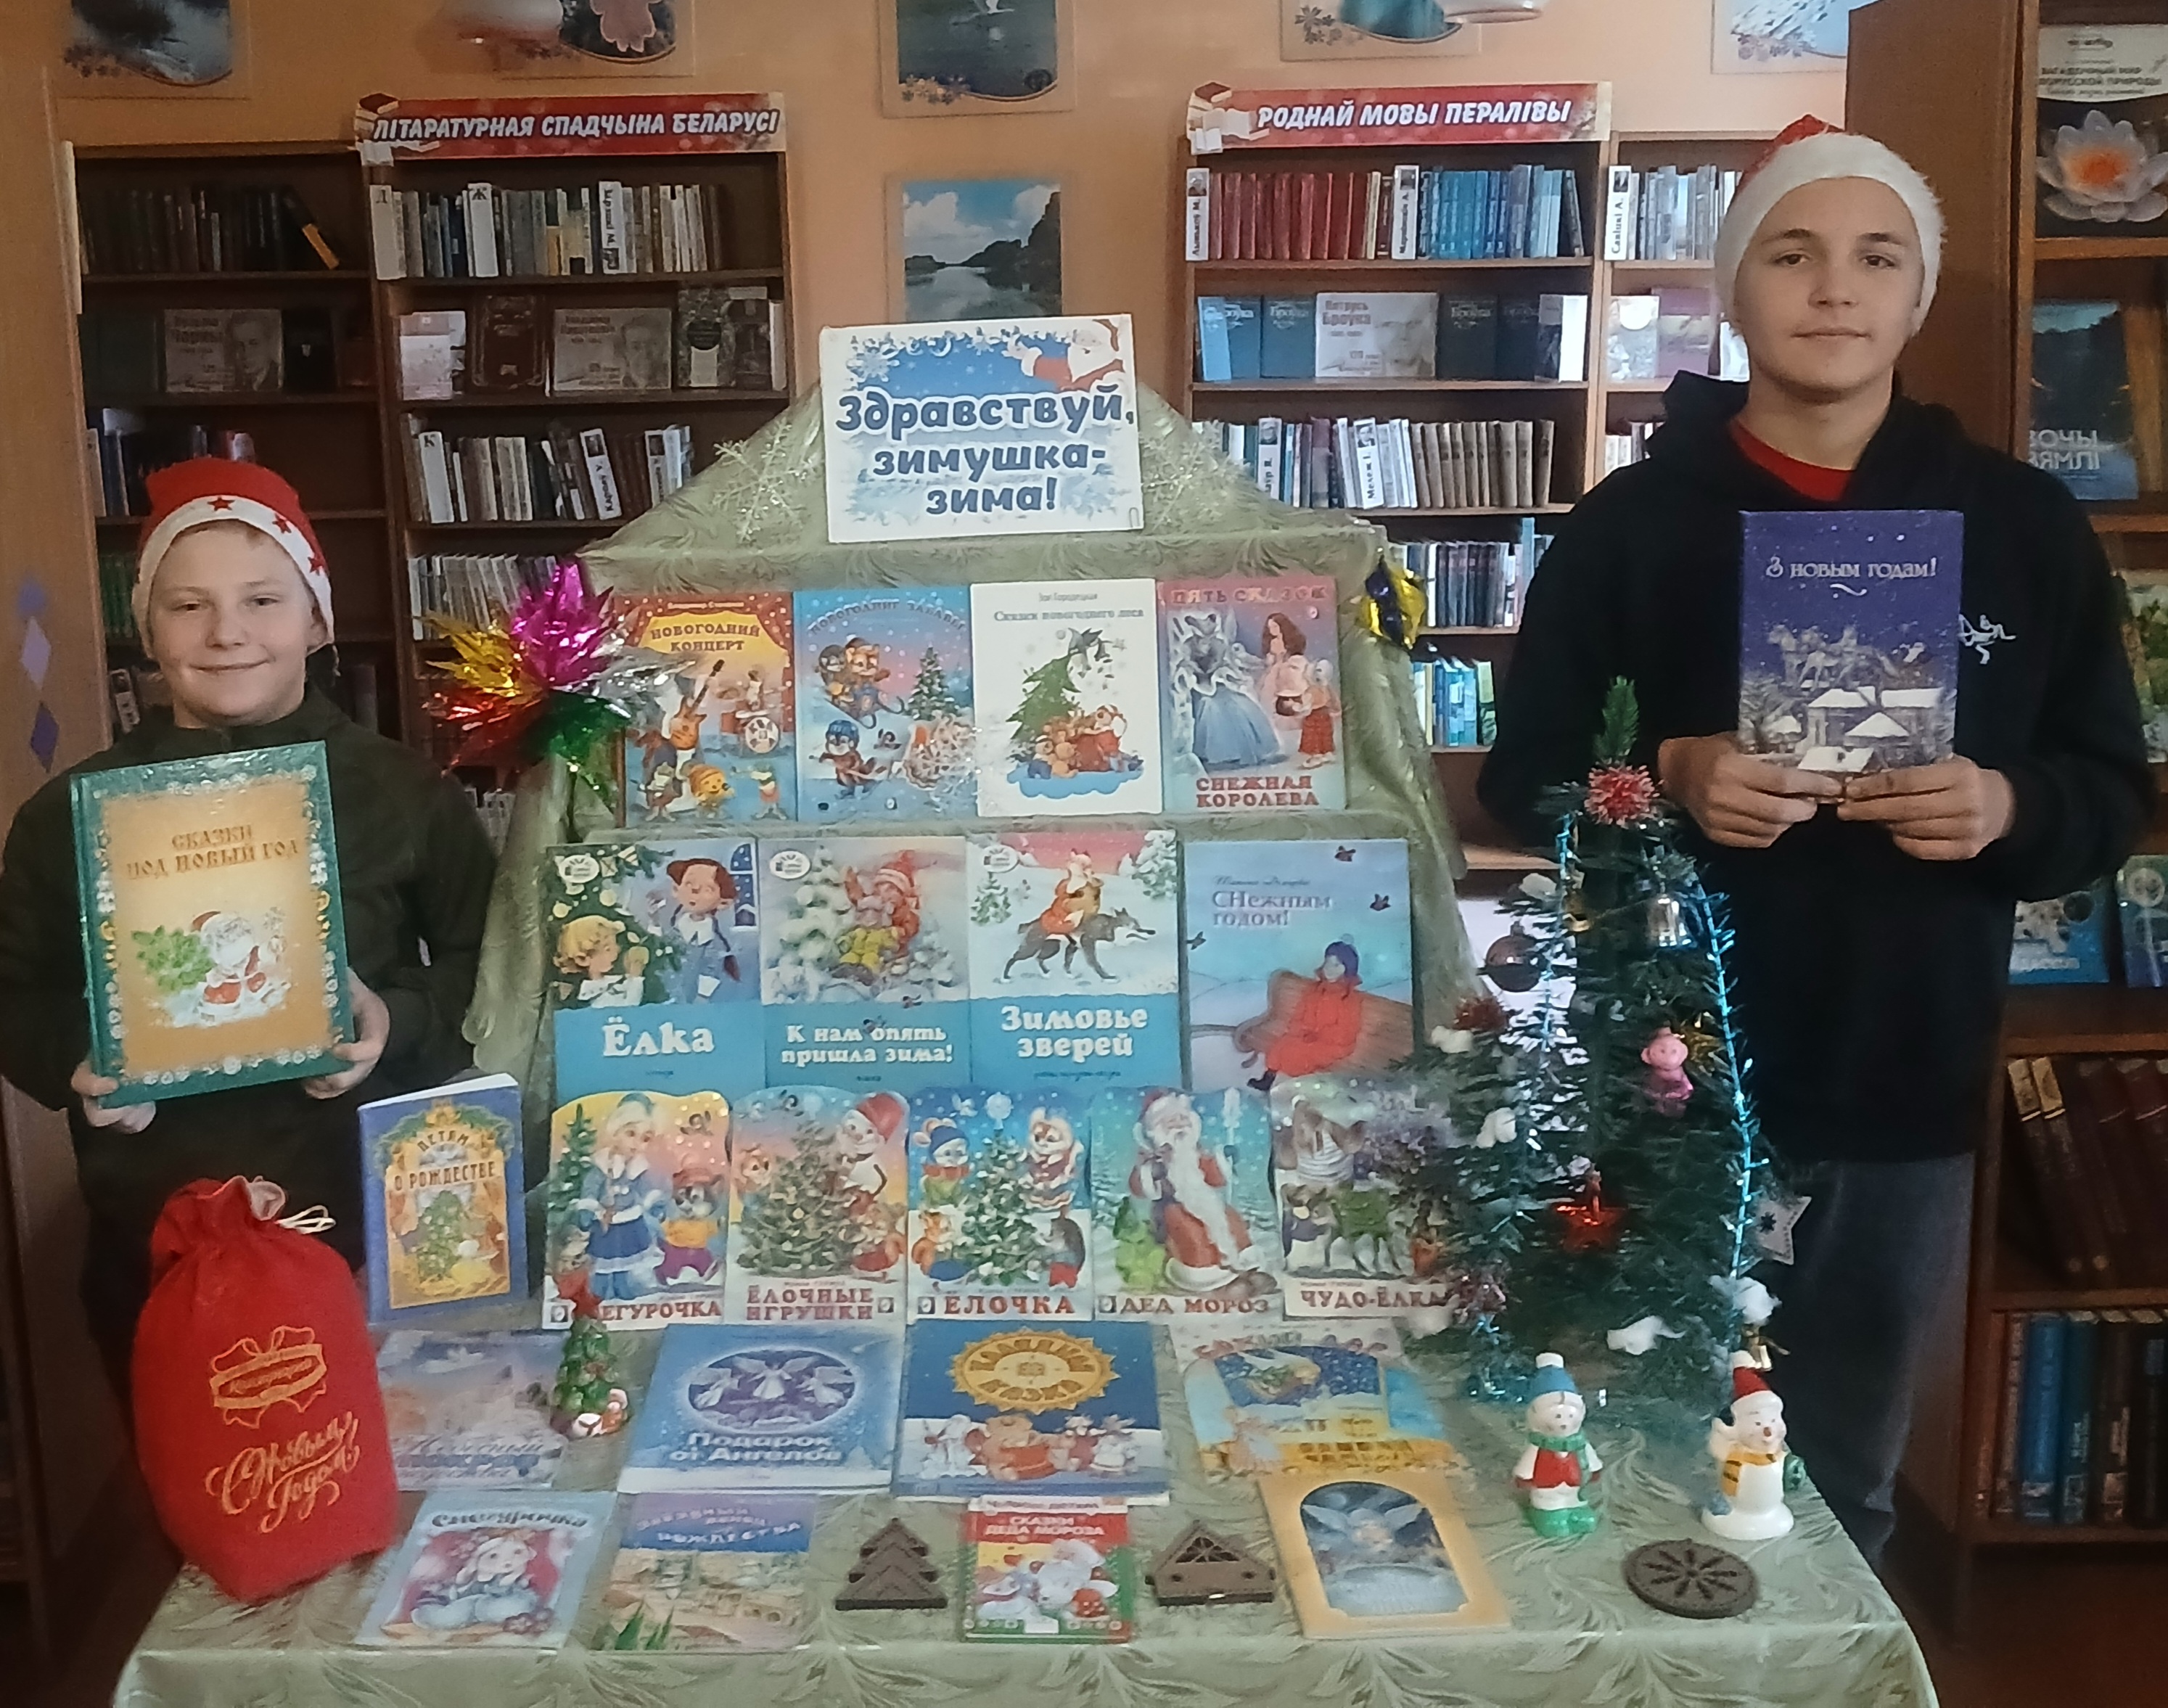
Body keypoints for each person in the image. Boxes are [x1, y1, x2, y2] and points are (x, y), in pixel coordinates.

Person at [1477, 120, 2153, 1567]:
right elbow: (1521, 781)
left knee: (1833, 1470)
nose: (1834, 287)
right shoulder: (1629, 527)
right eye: (1791, 254)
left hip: (1904, 1078)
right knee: (1630, 1451)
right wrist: (1665, 771)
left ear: (1918, 295)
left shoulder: (2022, 526)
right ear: (1734, 288)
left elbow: (2109, 790)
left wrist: (2008, 806)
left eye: (1875, 257)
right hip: (1664, 1087)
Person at [0, 459, 496, 1390]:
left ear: (317, 620)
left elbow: (493, 961)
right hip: (156, 1230)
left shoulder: (405, 790)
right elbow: (15, 994)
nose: (227, 633)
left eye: (263, 600)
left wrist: (395, 1020)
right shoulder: (69, 812)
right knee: (202, 1468)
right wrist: (79, 1054)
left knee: (383, 1461)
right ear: (148, 626)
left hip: (375, 1220)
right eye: (188, 605)